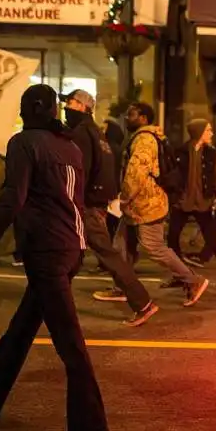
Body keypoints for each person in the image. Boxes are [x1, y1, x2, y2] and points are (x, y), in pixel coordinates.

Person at [0, 84, 108, 431]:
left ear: (34, 108)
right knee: (19, 332)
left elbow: (11, 202)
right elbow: (75, 202)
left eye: (22, 106)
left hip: (47, 253)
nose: (19, 113)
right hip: (71, 249)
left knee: (72, 348)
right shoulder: (70, 147)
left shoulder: (24, 143)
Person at [60, 90, 158, 327]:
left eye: (72, 103)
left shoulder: (83, 133)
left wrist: (72, 199)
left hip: (85, 205)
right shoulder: (96, 133)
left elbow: (78, 170)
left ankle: (142, 302)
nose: (67, 107)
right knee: (67, 254)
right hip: (94, 203)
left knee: (107, 254)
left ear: (84, 107)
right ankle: (52, 301)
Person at [115, 102, 209, 306]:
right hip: (139, 204)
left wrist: (124, 197)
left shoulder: (144, 139)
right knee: (120, 245)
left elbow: (136, 173)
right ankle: (122, 286)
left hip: (146, 204)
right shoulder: (146, 137)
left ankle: (193, 280)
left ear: (143, 118)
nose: (127, 118)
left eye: (131, 114)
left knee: (154, 247)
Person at [167, 119, 216, 294]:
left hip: (203, 203)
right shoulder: (181, 151)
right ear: (198, 132)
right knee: (171, 239)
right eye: (208, 130)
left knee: (212, 241)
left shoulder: (211, 153)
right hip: (182, 203)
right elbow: (171, 175)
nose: (211, 133)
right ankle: (181, 275)